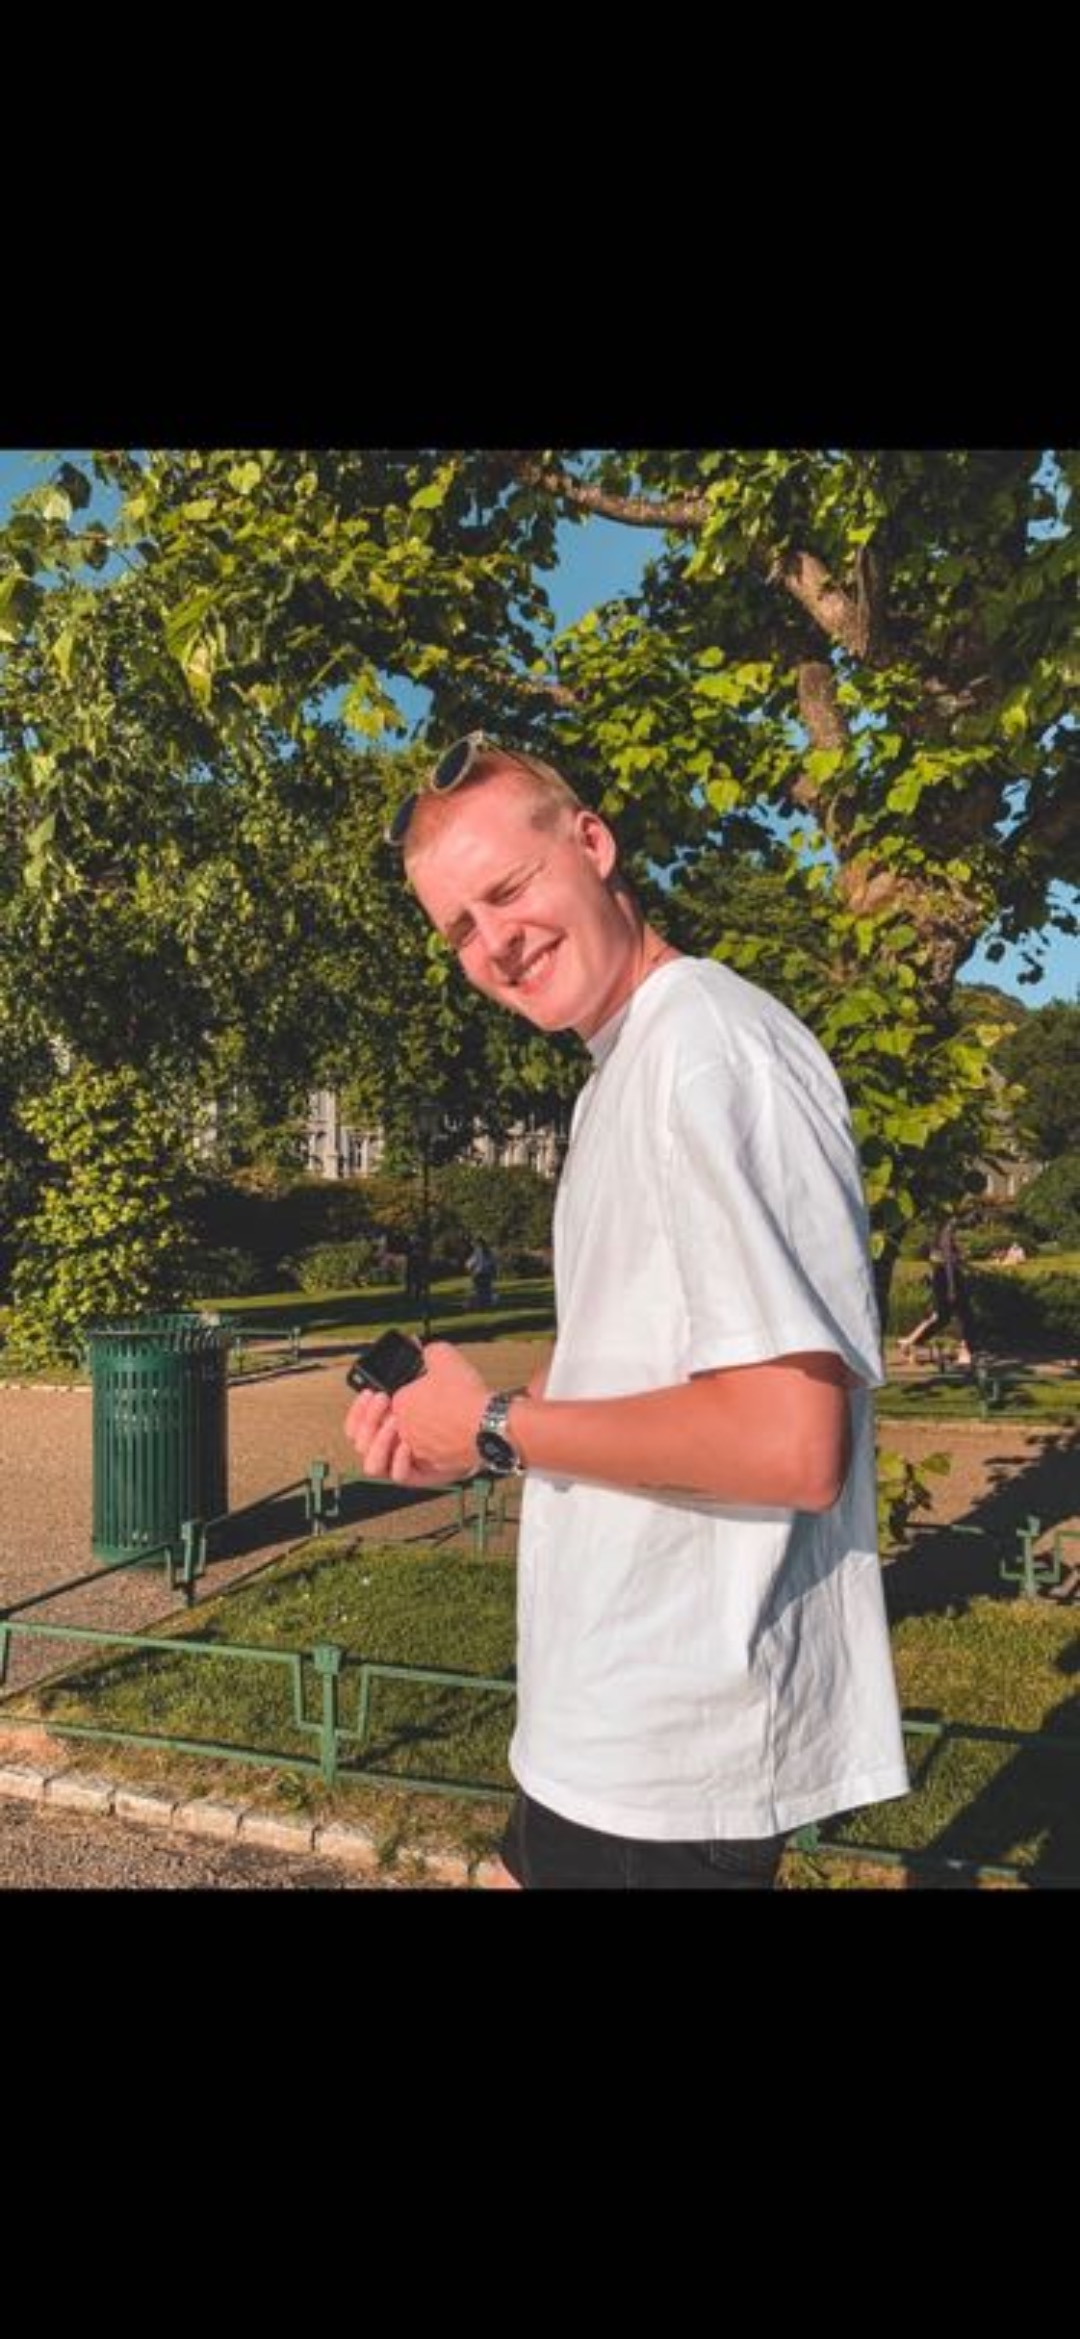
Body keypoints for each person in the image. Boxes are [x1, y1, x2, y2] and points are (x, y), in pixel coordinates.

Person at [344, 733, 909, 1889]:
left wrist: (498, 1424)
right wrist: (463, 1432)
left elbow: (792, 1442)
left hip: (675, 1752)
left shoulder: (711, 1049)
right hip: (603, 1727)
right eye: (460, 927)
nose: (496, 941)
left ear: (593, 844)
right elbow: (630, 1379)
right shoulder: (624, 1072)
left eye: (509, 889)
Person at [897, 1219, 976, 1369]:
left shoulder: (944, 1237)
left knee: (942, 1317)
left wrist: (966, 1266)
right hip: (947, 1280)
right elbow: (948, 1265)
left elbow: (950, 1261)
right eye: (953, 1221)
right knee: (964, 1316)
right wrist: (952, 1288)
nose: (956, 1223)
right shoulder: (946, 1236)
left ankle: (910, 1341)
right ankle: (964, 1351)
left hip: (944, 1279)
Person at [465, 1235, 496, 1309]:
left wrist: (469, 1267)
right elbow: (492, 1262)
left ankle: (479, 1303)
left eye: (474, 1243)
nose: (473, 1244)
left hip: (479, 1273)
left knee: (478, 1290)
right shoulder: (488, 1251)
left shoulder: (478, 1251)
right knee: (487, 1290)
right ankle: (487, 1302)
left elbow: (470, 1263)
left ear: (478, 1243)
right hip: (487, 1273)